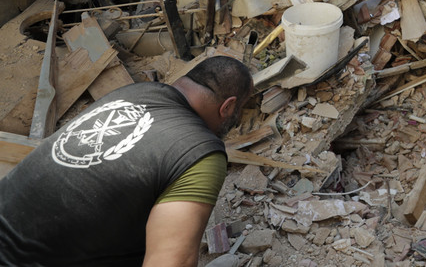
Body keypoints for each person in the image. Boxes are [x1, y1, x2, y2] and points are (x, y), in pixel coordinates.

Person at [0, 55, 253, 267]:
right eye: (238, 112)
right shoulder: (199, 151)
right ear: (228, 107)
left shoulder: (132, 92)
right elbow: (171, 262)